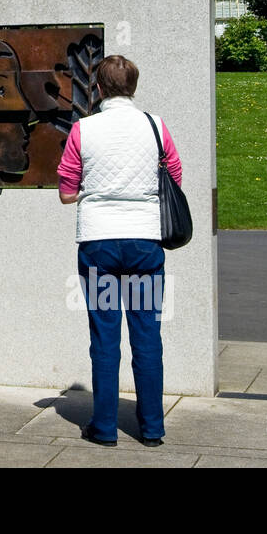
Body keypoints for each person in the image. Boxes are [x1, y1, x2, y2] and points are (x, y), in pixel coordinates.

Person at [56, 55, 183, 448]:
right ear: (133, 87)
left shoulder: (83, 130)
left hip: (100, 246)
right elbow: (174, 177)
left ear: (98, 89)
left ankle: (105, 428)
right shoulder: (156, 127)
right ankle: (152, 429)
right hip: (145, 244)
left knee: (105, 338)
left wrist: (93, 190)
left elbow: (65, 192)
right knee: (148, 335)